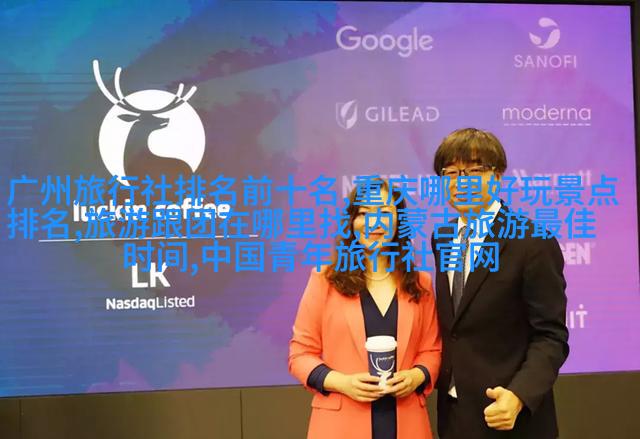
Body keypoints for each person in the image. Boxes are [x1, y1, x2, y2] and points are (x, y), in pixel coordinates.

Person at [430, 128, 569, 438]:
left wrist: (518, 396)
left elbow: (551, 336)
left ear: (496, 176)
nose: (460, 181)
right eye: (450, 172)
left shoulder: (532, 242)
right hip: (454, 417)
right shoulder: (442, 238)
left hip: (510, 416)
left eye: (473, 171)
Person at [289, 178, 442, 439]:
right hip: (340, 426)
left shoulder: (420, 283)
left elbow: (432, 350)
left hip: (407, 423)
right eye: (364, 213)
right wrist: (343, 383)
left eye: (384, 212)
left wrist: (417, 376)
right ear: (351, 221)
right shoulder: (325, 279)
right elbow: (300, 354)